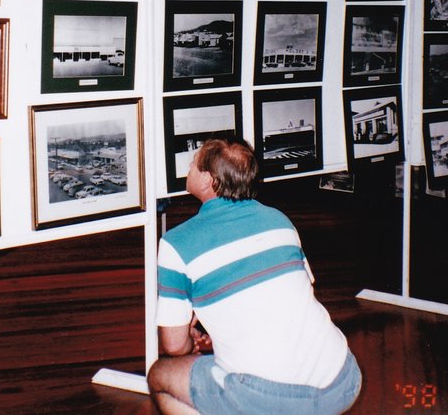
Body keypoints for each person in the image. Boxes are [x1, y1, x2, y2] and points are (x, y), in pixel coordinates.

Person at [148, 136, 362, 415]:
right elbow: (284, 300)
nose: (188, 168)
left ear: (207, 181)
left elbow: (175, 347)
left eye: (193, 164)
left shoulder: (175, 244)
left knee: (159, 376)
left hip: (272, 399)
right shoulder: (279, 220)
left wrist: (189, 338)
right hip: (342, 381)